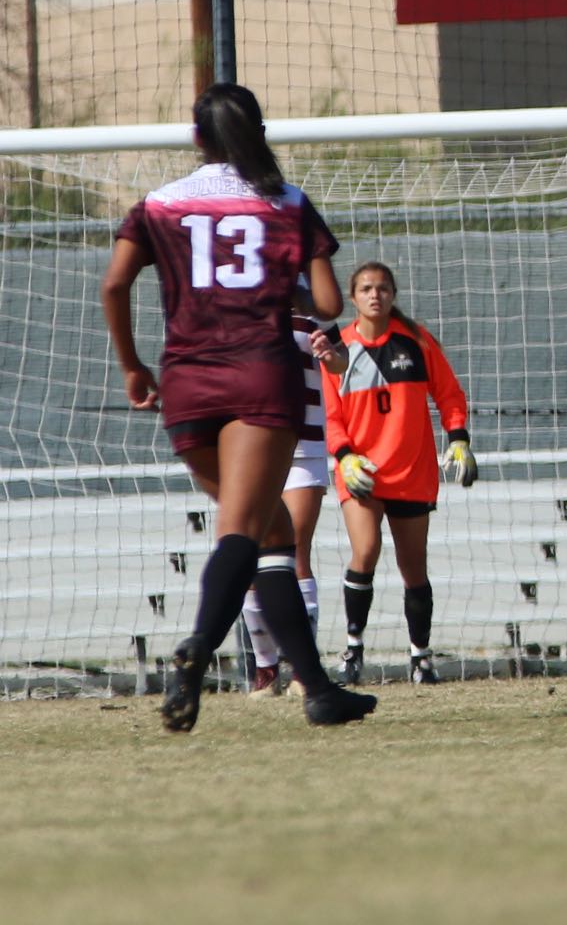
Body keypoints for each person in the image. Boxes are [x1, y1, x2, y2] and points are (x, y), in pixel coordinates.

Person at [98, 83, 378, 731]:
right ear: (257, 130)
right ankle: (198, 646)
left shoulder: (159, 204)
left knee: (273, 532)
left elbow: (114, 284)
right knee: (243, 530)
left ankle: (317, 690)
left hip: (186, 382)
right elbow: (331, 306)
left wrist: (134, 367)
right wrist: (283, 284)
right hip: (259, 378)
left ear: (197, 138)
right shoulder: (286, 202)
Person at [323, 262, 478, 686]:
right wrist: (345, 456)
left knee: (414, 566)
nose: (376, 295)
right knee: (366, 549)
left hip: (411, 469)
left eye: (384, 288)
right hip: (361, 470)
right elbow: (331, 414)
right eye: (367, 289)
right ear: (353, 297)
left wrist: (459, 439)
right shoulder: (336, 347)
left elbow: (449, 394)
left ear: (393, 294)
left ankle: (420, 657)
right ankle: (353, 651)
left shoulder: (417, 340)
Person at [241, 280, 343, 695]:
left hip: (305, 443)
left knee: (295, 550)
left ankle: (304, 667)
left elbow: (340, 362)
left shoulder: (310, 303)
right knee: (251, 555)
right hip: (252, 445)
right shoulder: (236, 303)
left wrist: (331, 355)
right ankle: (266, 669)